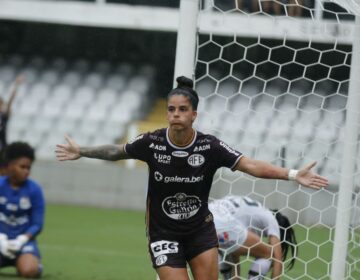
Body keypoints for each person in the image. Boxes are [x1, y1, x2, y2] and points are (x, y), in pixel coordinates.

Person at [55, 76, 328, 280]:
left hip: (200, 232)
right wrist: (82, 151)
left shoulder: (210, 146)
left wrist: (292, 174)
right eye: (172, 109)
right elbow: (117, 151)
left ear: (193, 114)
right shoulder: (152, 142)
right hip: (164, 234)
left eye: (182, 109)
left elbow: (250, 165)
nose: (176, 114)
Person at [209, 195, 297, 279]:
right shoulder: (271, 219)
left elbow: (234, 249)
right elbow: (278, 259)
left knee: (228, 250)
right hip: (222, 224)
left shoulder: (253, 209)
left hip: (204, 219)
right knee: (269, 254)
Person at [0, 142, 45, 278]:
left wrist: (22, 239)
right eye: (22, 167)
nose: (26, 171)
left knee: (29, 271)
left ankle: (35, 264)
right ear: (10, 166)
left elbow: (37, 224)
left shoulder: (35, 190)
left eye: (29, 167)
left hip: (23, 243)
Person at [0, 75, 25, 175]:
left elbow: (10, 102)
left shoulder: (4, 116)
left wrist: (16, 86)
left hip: (3, 149)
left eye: (1, 104)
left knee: (4, 172)